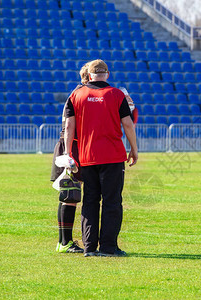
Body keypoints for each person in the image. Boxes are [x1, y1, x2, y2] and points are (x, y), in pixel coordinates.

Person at [64, 59, 138, 257]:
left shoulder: (76, 94)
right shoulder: (116, 94)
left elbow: (69, 126)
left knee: (90, 201)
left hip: (87, 157)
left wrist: (68, 152)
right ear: (107, 75)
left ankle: (89, 247)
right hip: (112, 156)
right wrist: (134, 148)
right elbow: (128, 124)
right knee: (112, 201)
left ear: (89, 76)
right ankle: (108, 247)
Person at [50, 62, 91, 253]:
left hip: (75, 145)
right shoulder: (80, 95)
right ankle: (64, 242)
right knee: (70, 195)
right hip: (72, 147)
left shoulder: (79, 93)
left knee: (71, 195)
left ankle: (65, 242)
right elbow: (69, 126)